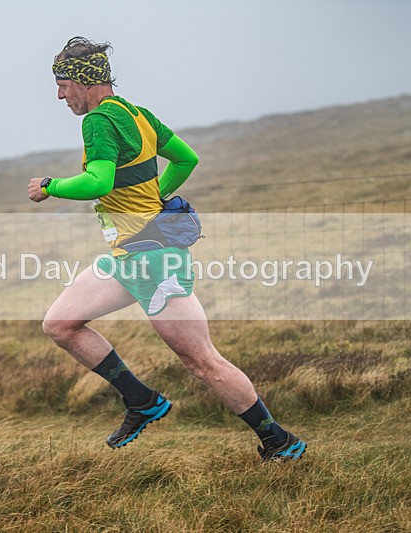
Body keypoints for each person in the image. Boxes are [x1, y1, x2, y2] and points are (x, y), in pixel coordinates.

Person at [27, 36, 306, 462]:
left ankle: (278, 439)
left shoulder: (98, 121)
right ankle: (141, 401)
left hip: (154, 260)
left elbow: (97, 182)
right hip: (128, 255)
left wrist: (51, 186)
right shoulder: (139, 115)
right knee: (60, 324)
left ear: (84, 82)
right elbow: (186, 159)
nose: (60, 95)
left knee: (202, 362)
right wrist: (154, 196)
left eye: (63, 85)